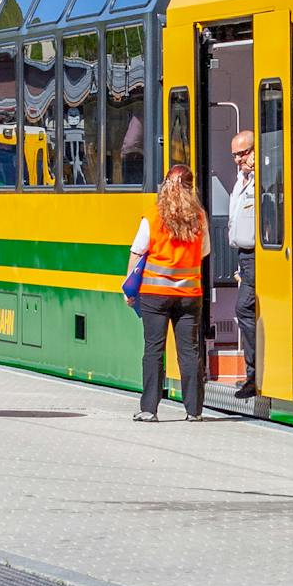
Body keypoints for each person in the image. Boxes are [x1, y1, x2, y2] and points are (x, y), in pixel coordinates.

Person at [126, 165, 210, 422]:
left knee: (153, 349)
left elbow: (137, 251)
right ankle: (194, 411)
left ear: (165, 185)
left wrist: (130, 288)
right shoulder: (199, 217)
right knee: (189, 351)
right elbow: (204, 251)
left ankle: (149, 409)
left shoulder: (153, 215)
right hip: (189, 295)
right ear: (190, 187)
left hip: (154, 294)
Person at [227, 130, 259, 400]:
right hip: (244, 258)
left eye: (244, 153)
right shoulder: (240, 180)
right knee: (246, 310)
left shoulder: (262, 179)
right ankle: (254, 372)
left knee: (244, 309)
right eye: (236, 155)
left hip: (258, 255)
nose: (239, 159)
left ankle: (254, 374)